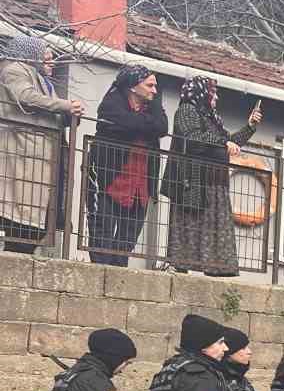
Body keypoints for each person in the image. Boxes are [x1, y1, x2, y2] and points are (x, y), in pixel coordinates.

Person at [164, 76, 258, 276]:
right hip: (196, 182)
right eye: (213, 93)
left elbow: (229, 141)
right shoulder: (187, 110)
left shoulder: (211, 118)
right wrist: (223, 143)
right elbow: (193, 138)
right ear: (201, 94)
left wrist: (249, 127)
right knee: (189, 228)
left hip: (214, 185)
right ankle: (181, 267)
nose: (216, 98)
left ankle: (215, 268)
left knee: (214, 230)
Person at [1, 34, 80, 251]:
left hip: (39, 158)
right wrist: (65, 106)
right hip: (23, 154)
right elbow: (25, 96)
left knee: (36, 224)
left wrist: (69, 115)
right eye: (47, 58)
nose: (52, 63)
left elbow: (50, 110)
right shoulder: (14, 69)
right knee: (21, 222)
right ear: (31, 55)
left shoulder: (40, 79)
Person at [88, 65, 165, 266]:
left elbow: (161, 127)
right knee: (101, 234)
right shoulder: (111, 102)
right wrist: (146, 125)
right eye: (150, 85)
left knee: (127, 240)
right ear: (132, 86)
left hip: (140, 184)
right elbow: (122, 122)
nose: (155, 91)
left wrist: (137, 124)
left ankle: (118, 279)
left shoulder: (153, 103)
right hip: (111, 178)